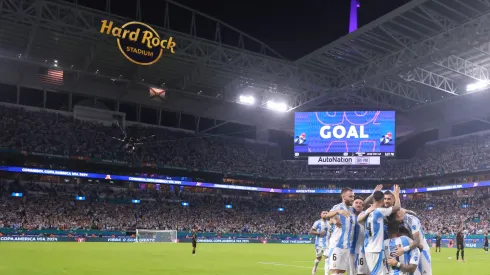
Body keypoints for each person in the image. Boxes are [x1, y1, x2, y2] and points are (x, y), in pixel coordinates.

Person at [358, 185, 401, 275]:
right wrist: (396, 195)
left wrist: (373, 194)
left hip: (369, 247)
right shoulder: (379, 211)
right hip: (375, 249)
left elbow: (360, 215)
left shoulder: (367, 213)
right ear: (382, 200)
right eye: (384, 199)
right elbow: (397, 207)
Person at [391, 209, 432, 275]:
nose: (396, 216)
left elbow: (417, 242)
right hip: (411, 250)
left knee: (426, 273)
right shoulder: (398, 222)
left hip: (422, 251)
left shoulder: (412, 220)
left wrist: (403, 249)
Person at [325, 188, 355, 275]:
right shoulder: (338, 207)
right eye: (350, 196)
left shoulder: (351, 209)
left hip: (346, 246)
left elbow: (362, 204)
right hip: (336, 245)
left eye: (353, 196)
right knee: (334, 271)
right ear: (343, 197)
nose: (352, 198)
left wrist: (373, 194)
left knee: (342, 271)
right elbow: (327, 215)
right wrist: (337, 212)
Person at [310, 211, 331, 275]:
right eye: (323, 213)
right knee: (318, 258)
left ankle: (326, 273)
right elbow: (311, 231)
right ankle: (315, 267)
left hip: (328, 244)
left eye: (326, 213)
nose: (325, 214)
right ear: (320, 215)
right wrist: (318, 233)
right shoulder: (317, 222)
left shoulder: (330, 223)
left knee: (327, 258)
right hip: (319, 244)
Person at [350, 196, 368, 275]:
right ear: (352, 205)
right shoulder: (348, 215)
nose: (358, 205)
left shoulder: (365, 214)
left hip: (362, 249)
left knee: (362, 272)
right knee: (351, 272)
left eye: (361, 203)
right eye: (356, 203)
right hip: (350, 249)